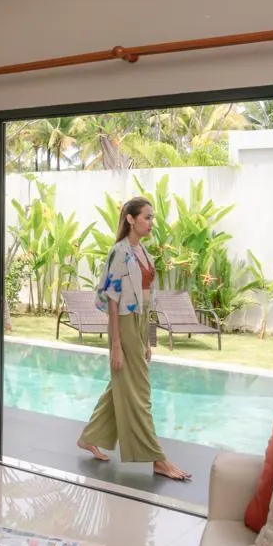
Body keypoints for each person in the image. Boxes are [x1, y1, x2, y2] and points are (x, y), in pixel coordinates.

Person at [76, 197, 191, 481]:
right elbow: (112, 301)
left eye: (152, 218)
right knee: (140, 393)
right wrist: (116, 345)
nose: (152, 223)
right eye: (147, 218)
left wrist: (148, 338)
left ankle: (90, 436)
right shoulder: (120, 252)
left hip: (139, 324)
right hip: (124, 325)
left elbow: (148, 300)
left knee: (122, 384)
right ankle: (157, 459)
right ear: (131, 219)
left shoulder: (144, 253)